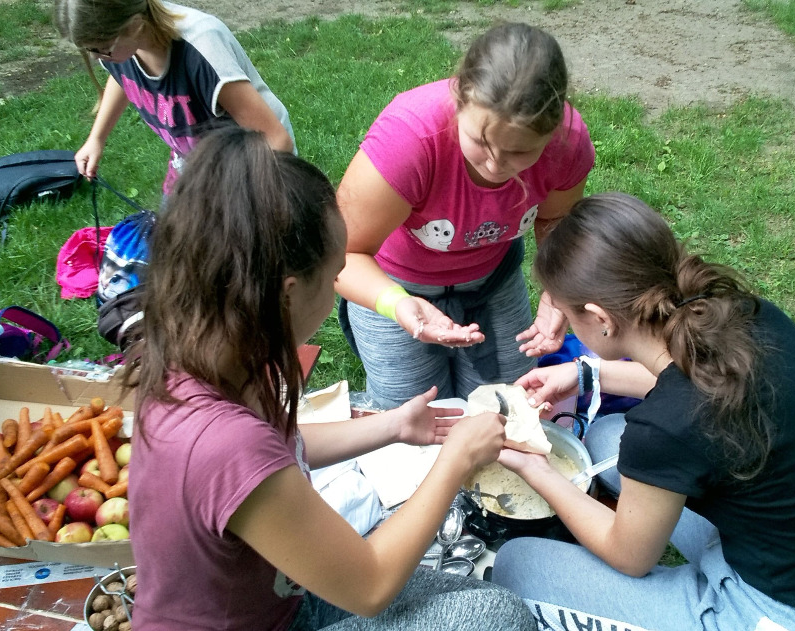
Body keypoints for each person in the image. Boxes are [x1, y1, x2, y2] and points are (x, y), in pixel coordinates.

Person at [122, 126, 536, 631]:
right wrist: (457, 460)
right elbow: (370, 586)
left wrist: (394, 426)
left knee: (469, 595)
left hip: (282, 600)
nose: (339, 286)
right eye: (336, 273)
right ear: (288, 293)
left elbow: (277, 449)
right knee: (500, 616)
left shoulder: (208, 354)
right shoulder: (222, 442)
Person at [491, 193, 795, 631]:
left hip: (794, 613)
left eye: (567, 315)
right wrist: (586, 373)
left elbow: (630, 557)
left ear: (600, 318)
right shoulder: (744, 315)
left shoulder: (664, 428)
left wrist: (539, 471)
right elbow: (699, 391)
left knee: (518, 566)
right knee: (607, 437)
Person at [334, 22, 596, 408]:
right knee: (413, 418)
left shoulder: (568, 143)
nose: (495, 165)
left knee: (509, 406)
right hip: (393, 281)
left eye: (520, 151)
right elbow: (341, 253)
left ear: (553, 130)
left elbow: (555, 222)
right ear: (458, 99)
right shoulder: (408, 141)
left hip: (493, 278)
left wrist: (559, 291)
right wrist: (395, 303)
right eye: (480, 141)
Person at [53, 0, 295, 196]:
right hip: (195, 165)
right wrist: (96, 138)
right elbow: (123, 77)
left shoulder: (202, 48)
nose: (97, 58)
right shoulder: (120, 50)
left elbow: (276, 140)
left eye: (101, 48)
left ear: (135, 25)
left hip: (253, 169)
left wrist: (236, 199)